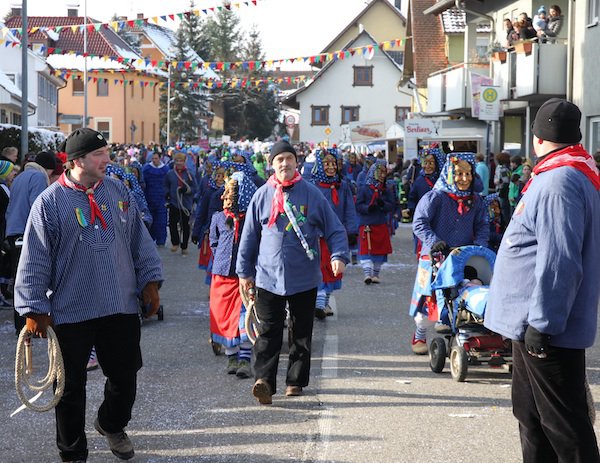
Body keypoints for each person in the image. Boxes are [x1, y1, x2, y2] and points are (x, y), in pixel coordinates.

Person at [14, 128, 163, 463]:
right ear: (78, 161)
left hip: (119, 303)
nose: (107, 160)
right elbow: (35, 258)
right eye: (99, 155)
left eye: (107, 153)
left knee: (125, 377)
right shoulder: (49, 203)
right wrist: (34, 307)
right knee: (68, 388)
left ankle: (111, 423)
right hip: (70, 309)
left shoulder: (118, 191)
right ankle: (73, 453)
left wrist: (150, 281)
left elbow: (139, 239)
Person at [485, 99, 600, 463]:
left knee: (565, 428)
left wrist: (542, 323)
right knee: (532, 418)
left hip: (544, 326)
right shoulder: (565, 172)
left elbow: (559, 261)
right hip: (529, 321)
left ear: (537, 138)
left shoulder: (558, 181)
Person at [236, 140, 349, 405]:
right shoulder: (261, 196)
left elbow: (334, 228)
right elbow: (249, 237)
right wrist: (244, 272)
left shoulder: (311, 194)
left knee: (301, 332)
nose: (284, 163)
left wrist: (338, 255)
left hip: (304, 276)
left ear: (296, 162)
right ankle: (263, 381)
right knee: (268, 331)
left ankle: (295, 381)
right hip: (267, 276)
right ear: (272, 165)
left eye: (288, 158)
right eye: (279, 160)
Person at [408, 152, 489, 354]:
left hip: (463, 255)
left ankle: (463, 333)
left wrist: (479, 246)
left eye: (468, 174)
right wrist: (434, 241)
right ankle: (420, 333)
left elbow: (482, 226)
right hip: (435, 255)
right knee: (430, 298)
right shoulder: (435, 197)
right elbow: (419, 222)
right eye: (459, 174)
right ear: (450, 174)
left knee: (464, 294)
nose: (464, 179)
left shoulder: (477, 200)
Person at [209, 171, 257, 378]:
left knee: (244, 319)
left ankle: (245, 359)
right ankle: (231, 357)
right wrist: (222, 261)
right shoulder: (218, 218)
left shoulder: (251, 220)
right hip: (222, 277)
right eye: (225, 195)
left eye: (231, 196)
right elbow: (214, 242)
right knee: (224, 318)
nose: (225, 200)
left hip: (245, 277)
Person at [5, 151, 57, 333]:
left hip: (13, 231)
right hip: (25, 233)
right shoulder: (38, 177)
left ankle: (21, 326)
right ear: (48, 169)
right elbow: (38, 207)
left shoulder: (21, 176)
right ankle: (28, 326)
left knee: (18, 278)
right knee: (29, 278)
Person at [310, 147, 358, 318]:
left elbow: (349, 210)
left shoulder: (342, 186)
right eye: (326, 163)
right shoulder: (313, 186)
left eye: (333, 163)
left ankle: (324, 302)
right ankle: (319, 302)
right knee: (320, 268)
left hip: (335, 236)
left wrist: (351, 230)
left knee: (333, 269)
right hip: (317, 235)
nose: (331, 167)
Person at [355, 160, 394, 285]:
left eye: (384, 172)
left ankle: (376, 274)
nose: (382, 175)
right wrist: (367, 208)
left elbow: (392, 205)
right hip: (367, 224)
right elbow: (358, 205)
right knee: (366, 250)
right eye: (380, 172)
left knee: (379, 251)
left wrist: (383, 205)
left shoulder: (386, 190)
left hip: (380, 223)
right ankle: (367, 274)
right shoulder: (364, 189)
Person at [165, 152, 196, 256]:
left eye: (181, 161)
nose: (179, 163)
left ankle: (184, 246)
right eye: (177, 160)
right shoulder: (170, 173)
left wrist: (187, 190)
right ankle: (175, 242)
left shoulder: (189, 174)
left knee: (185, 225)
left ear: (184, 161)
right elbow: (165, 186)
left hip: (185, 203)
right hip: (174, 202)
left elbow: (195, 188)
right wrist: (167, 195)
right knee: (172, 224)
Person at [142, 152, 170, 246]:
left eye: (156, 158)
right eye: (153, 159)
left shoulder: (166, 169)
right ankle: (150, 240)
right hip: (149, 197)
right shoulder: (146, 169)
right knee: (150, 221)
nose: (154, 160)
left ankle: (161, 240)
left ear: (160, 158)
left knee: (161, 221)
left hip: (162, 198)